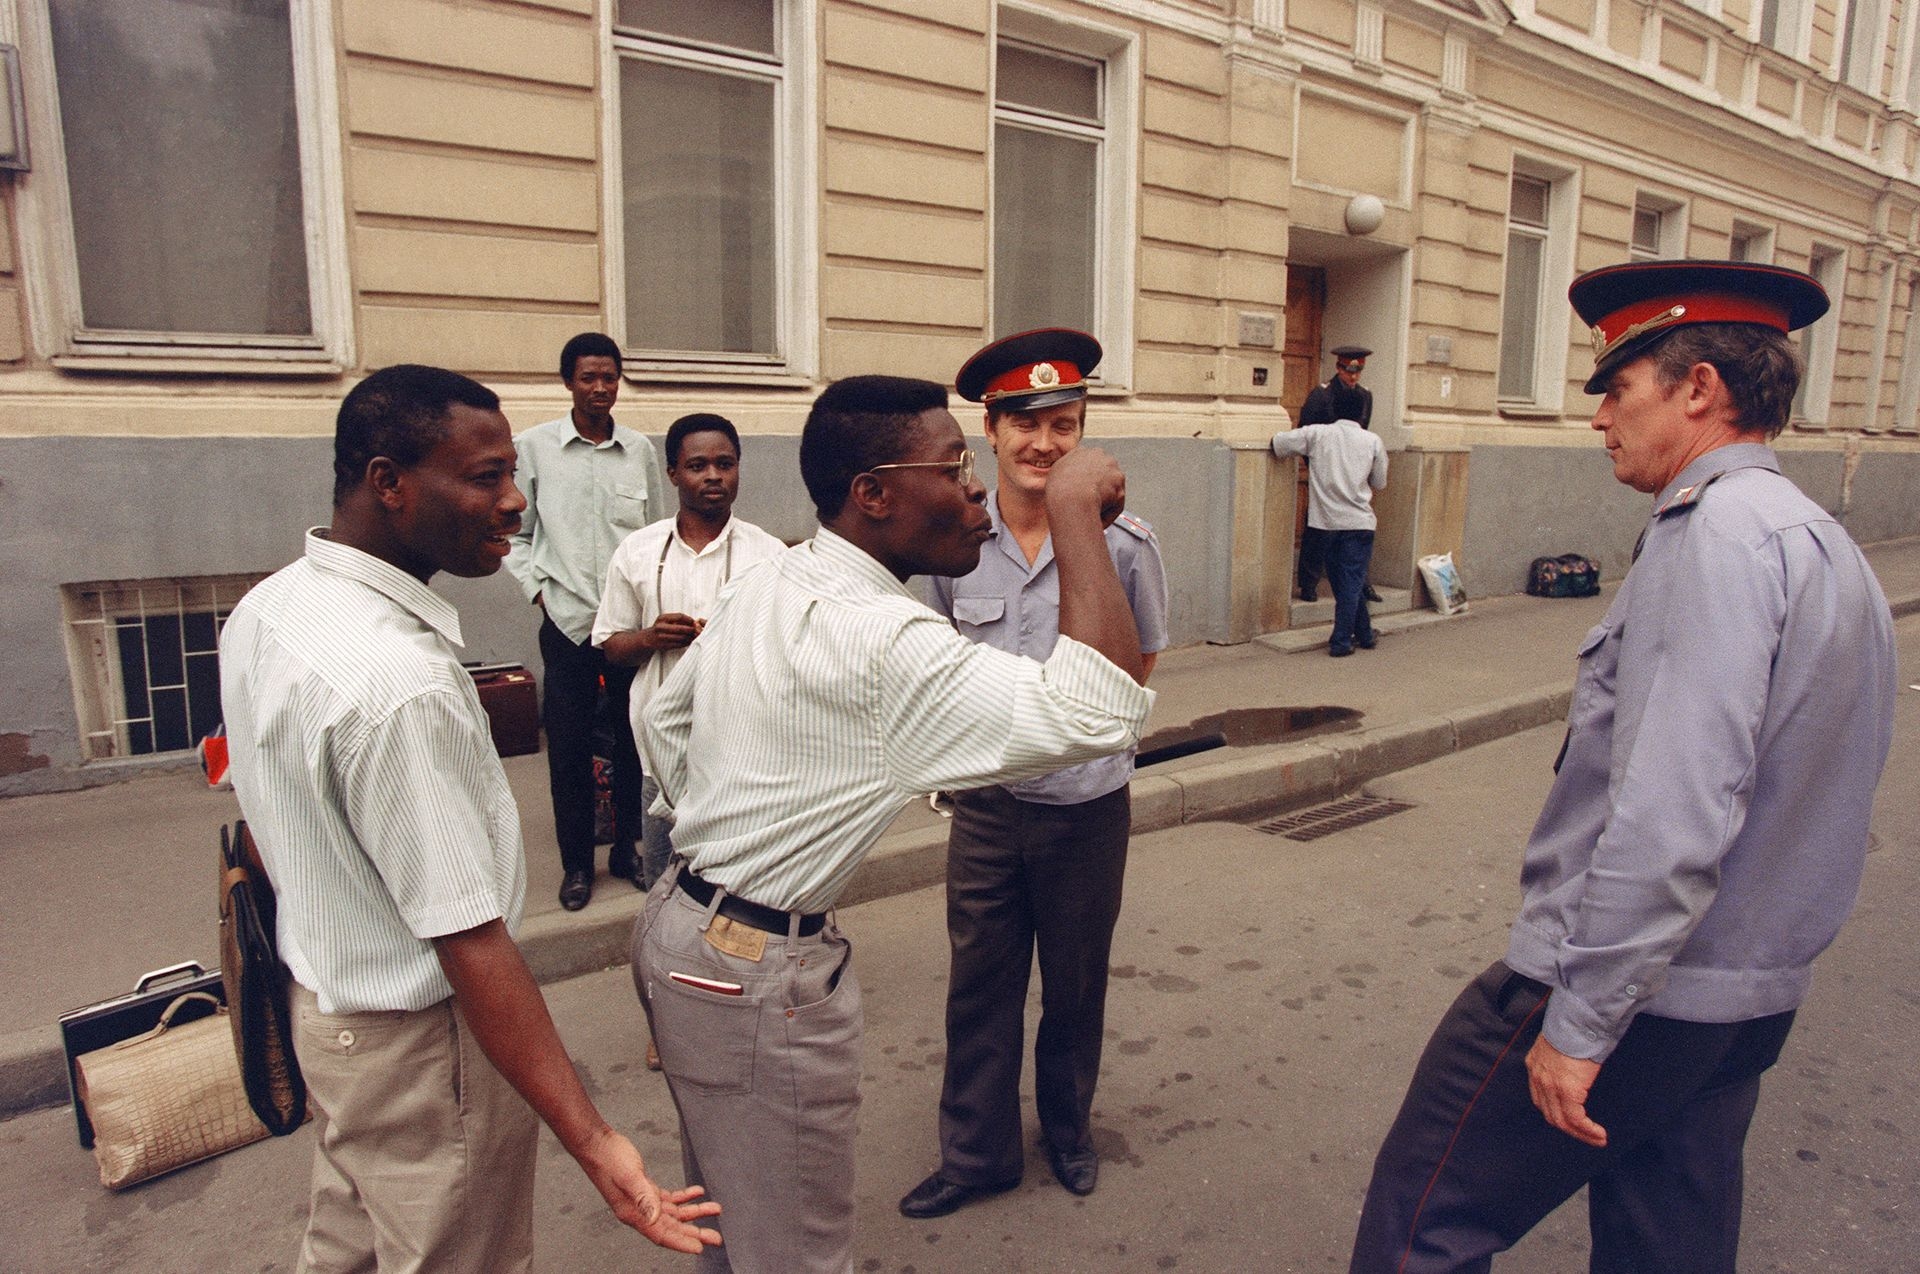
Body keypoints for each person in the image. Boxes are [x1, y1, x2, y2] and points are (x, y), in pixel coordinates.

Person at [1348, 260, 1897, 1273]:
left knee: (1423, 1216)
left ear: (1698, 389)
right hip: (1745, 998)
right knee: (1667, 1240)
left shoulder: (1714, 536)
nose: (1600, 417)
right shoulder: (1822, 542)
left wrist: (1582, 1017)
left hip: (1640, 989)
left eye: (1618, 387)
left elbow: (1671, 812)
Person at [631, 374, 1155, 1272]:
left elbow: (666, 722)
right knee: (789, 1251)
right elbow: (1104, 713)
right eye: (955, 467)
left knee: (734, 1224)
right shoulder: (884, 637)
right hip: (752, 966)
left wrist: (737, 829)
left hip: (686, 925)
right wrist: (1073, 510)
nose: (976, 487)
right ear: (872, 493)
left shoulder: (781, 571)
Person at [220, 364, 719, 1271]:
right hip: (419, 1054)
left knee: (350, 1250)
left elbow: (265, 813)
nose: (514, 502)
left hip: (329, 1019)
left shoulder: (271, 607)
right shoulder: (396, 684)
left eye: (511, 474)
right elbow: (470, 942)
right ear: (389, 483)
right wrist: (595, 1142)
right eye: (485, 476)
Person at [899, 328, 1168, 1220]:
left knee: (1076, 982)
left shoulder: (1124, 543)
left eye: (1064, 424)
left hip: (1087, 807)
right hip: (987, 807)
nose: (1043, 444)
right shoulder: (954, 545)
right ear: (992, 428)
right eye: (1025, 423)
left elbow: (1140, 667)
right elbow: (929, 665)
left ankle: (1070, 1129)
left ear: (1083, 431)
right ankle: (976, 1154)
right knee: (979, 986)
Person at [593, 412, 787, 891]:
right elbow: (611, 647)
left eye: (725, 464)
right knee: (664, 885)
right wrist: (650, 638)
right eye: (698, 465)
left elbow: (788, 654)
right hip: (660, 754)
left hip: (741, 753)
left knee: (740, 887)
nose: (714, 476)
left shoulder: (768, 555)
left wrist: (732, 637)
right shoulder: (637, 551)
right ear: (673, 474)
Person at [506, 331, 664, 911]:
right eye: (588, 378)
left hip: (628, 625)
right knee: (569, 747)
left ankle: (628, 849)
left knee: (631, 740)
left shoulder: (640, 451)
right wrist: (539, 593)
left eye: (609, 377)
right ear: (568, 381)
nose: (600, 388)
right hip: (567, 620)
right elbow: (516, 536)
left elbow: (654, 534)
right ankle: (577, 866)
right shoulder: (535, 449)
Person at [1270, 406, 1387, 656]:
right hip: (1358, 523)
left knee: (1343, 583)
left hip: (1326, 523)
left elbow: (1279, 443)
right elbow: (1380, 481)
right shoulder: (1373, 440)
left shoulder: (1318, 434)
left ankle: (1365, 634)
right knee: (1352, 583)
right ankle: (1341, 641)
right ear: (1363, 415)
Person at [1294, 344, 1374, 602]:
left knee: (1353, 532)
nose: (1353, 377)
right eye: (1349, 371)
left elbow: (1362, 434)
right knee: (1318, 530)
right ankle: (1309, 583)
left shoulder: (1364, 396)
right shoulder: (1322, 395)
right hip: (1326, 472)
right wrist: (1317, 465)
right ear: (1338, 368)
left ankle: (1361, 585)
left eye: (1358, 371)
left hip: (1351, 474)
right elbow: (1305, 432)